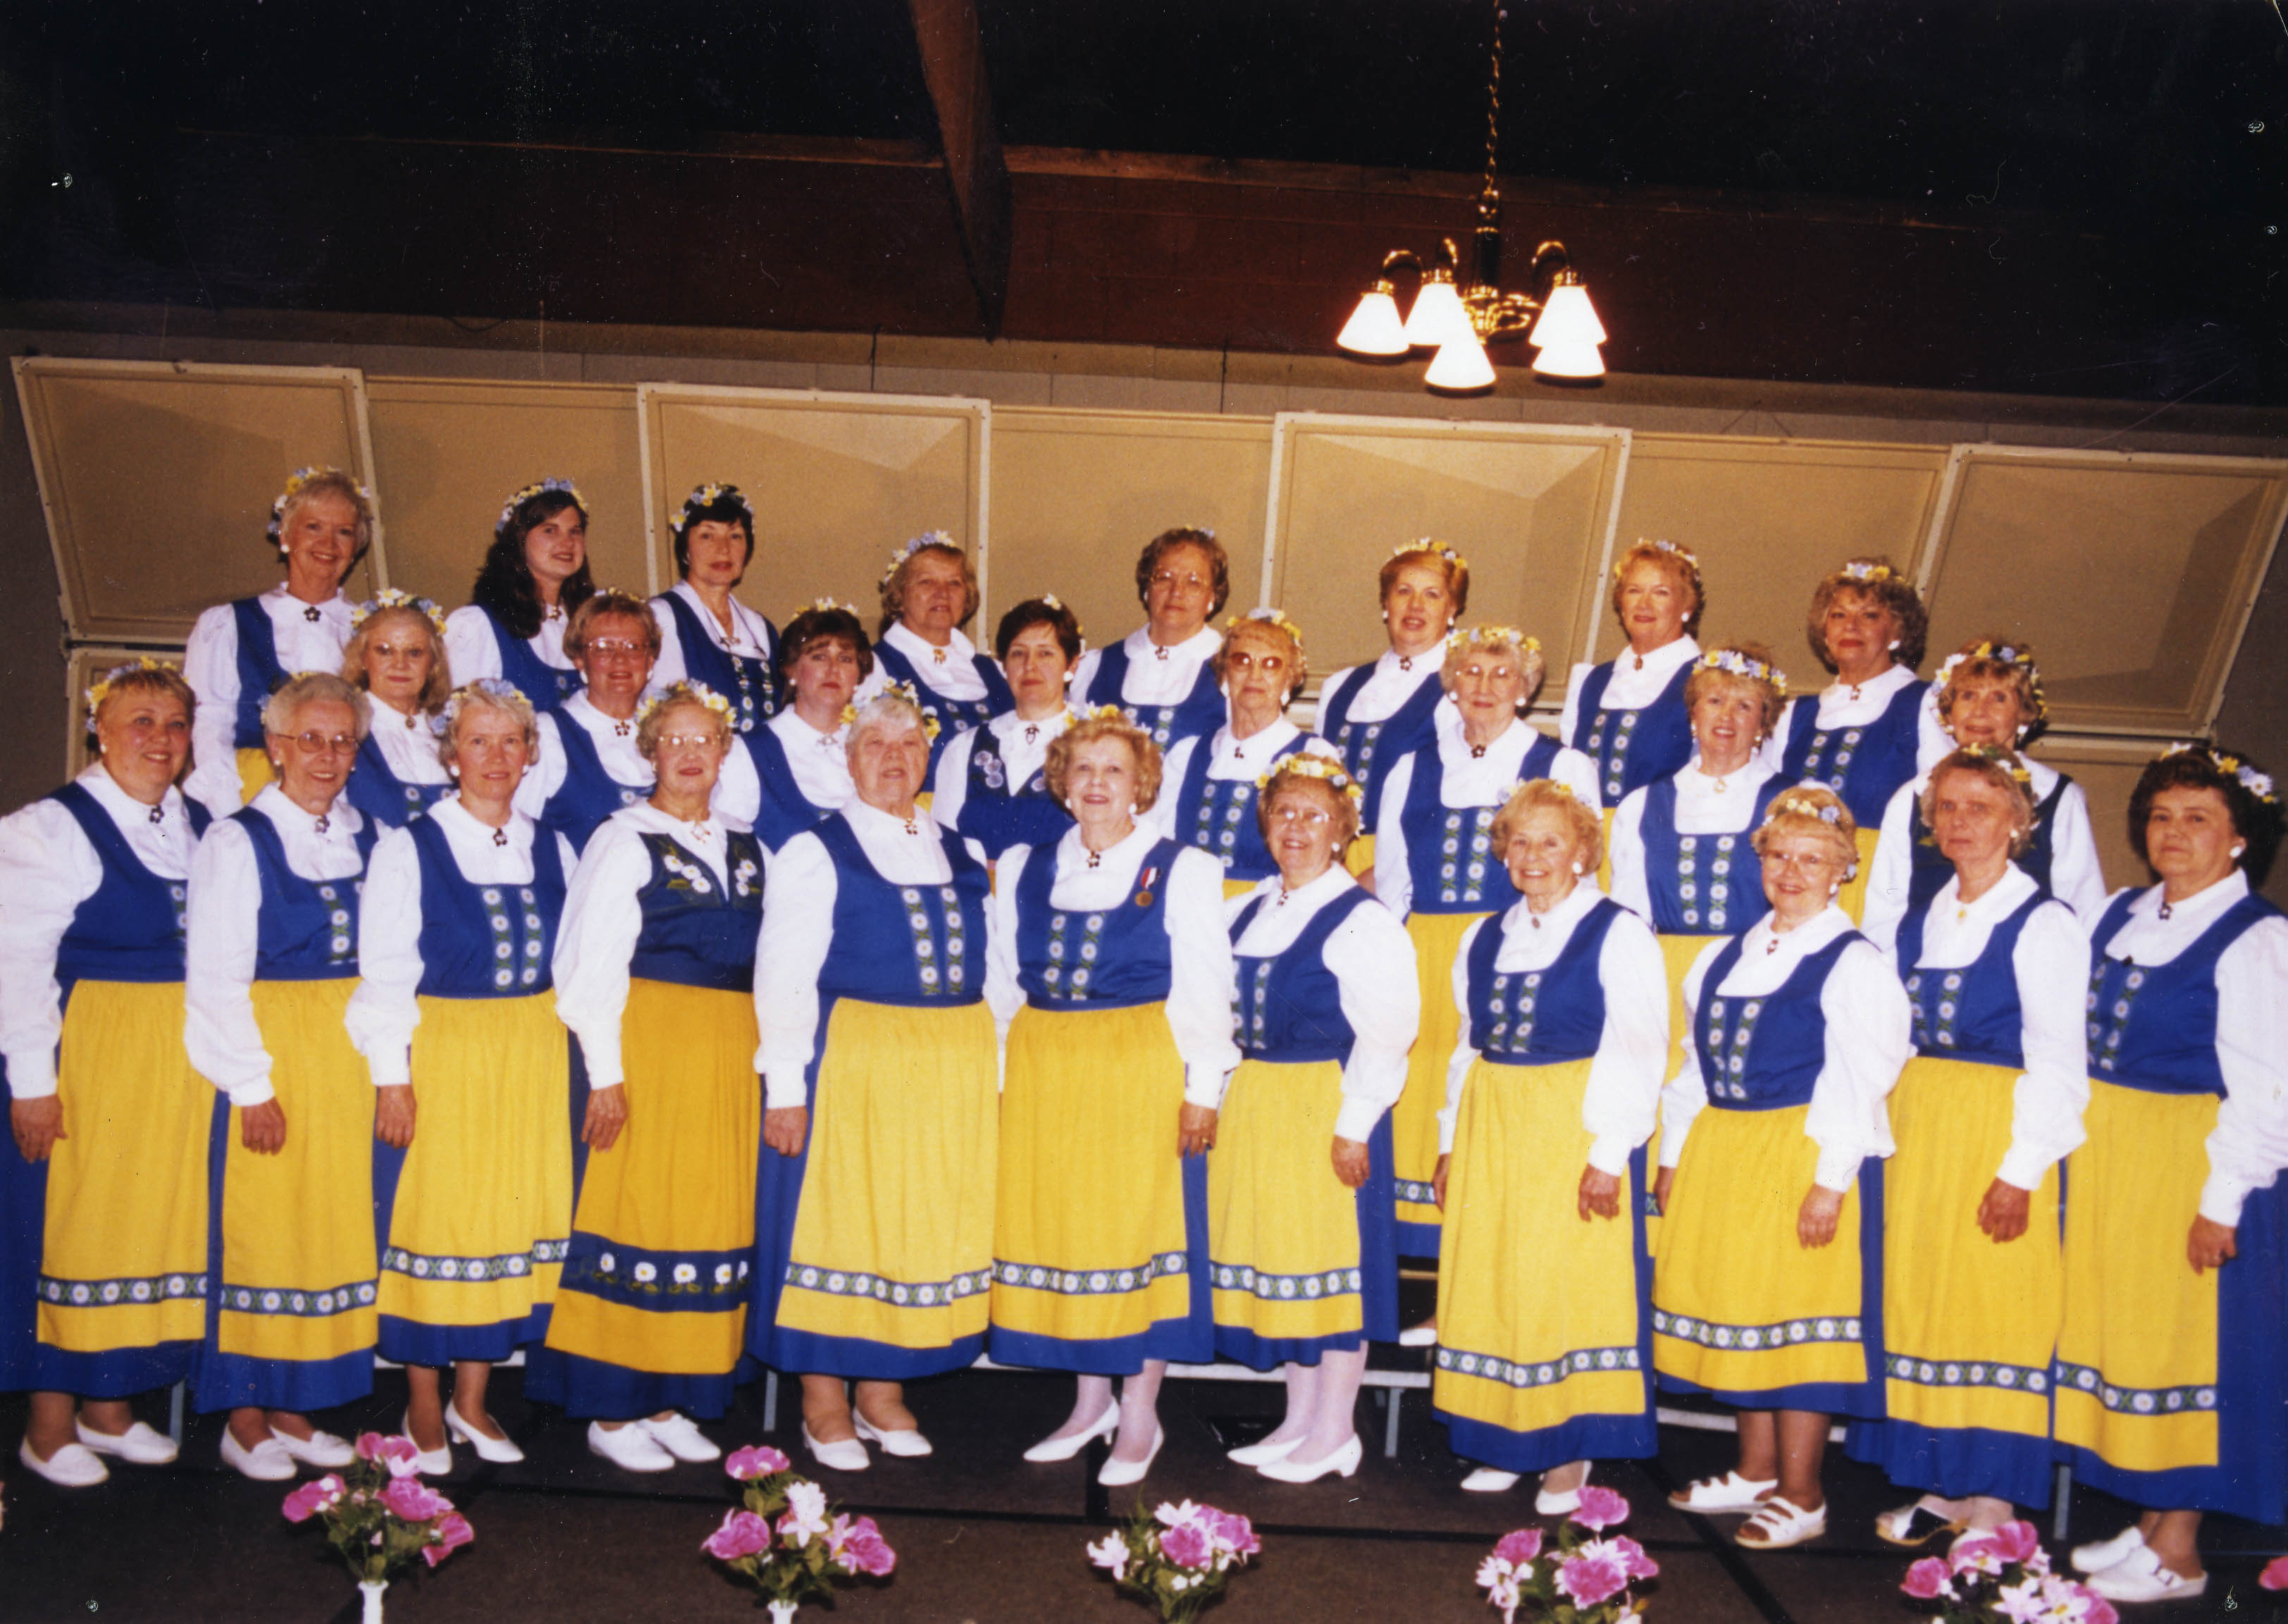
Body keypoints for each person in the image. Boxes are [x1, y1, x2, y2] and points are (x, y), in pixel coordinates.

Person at [2055, 743, 2288, 1606]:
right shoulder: (2123, 912)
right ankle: (2155, 1517)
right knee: (2130, 1335)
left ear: (2238, 840)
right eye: (2161, 815)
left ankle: (2182, 1547)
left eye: (2198, 820)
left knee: (2184, 1338)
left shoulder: (2257, 937)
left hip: (2187, 1156)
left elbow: (2268, 1082)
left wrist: (2221, 1199)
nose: (2173, 834)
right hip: (2113, 1150)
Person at [1652, 786, 1911, 1550]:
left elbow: (1862, 1078)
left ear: (1842, 871)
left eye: (1812, 859)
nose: (1792, 871)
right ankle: (1756, 1468)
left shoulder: (1853, 962)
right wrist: (1673, 1155)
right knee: (1745, 1315)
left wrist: (1830, 1180)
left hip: (1799, 1148)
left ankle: (1802, 1492)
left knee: (1795, 1325)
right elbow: (1694, 1065)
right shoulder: (1723, 953)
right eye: (1779, 855)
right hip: (1726, 1148)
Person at [1843, 747, 2089, 1544]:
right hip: (1920, 1121)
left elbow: (2059, 1060)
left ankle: (1994, 1502)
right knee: (1925, 1300)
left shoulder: (2043, 921)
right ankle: (1945, 1485)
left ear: (2018, 821)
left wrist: (2019, 1170)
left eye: (1980, 807)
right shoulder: (1924, 914)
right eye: (1945, 807)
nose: (1959, 822)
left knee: (1991, 1303)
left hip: (1996, 1121)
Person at [986, 712, 1238, 1487]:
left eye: (1115, 771)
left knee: (1136, 1228)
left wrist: (1203, 1087)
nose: (1097, 784)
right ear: (1062, 780)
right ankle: (1087, 1400)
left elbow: (1206, 983)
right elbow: (1000, 983)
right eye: (1084, 769)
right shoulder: (1025, 863)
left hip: (1136, 1062)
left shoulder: (1183, 867)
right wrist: (1000, 1080)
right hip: (1044, 1064)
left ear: (1141, 785)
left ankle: (1140, 1412)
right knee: (1070, 1230)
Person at [753, 689, 998, 1470]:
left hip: (946, 1062)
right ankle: (823, 1400)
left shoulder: (958, 848)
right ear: (848, 758)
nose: (893, 761)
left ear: (926, 758)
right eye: (874, 747)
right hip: (857, 1057)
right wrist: (786, 1086)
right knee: (843, 1220)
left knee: (912, 1219)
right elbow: (782, 975)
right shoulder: (815, 849)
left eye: (907, 748)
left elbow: (992, 970)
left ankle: (882, 1389)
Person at [346, 681, 574, 1475]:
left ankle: (471, 1399)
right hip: (446, 1048)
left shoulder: (555, 844)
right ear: (451, 755)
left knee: (503, 1221)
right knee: (440, 1221)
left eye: (511, 742)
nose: (496, 758)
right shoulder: (410, 845)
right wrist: (392, 1077)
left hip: (532, 1052)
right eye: (478, 742)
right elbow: (382, 972)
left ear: (529, 753)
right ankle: (420, 1402)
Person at [540, 683, 764, 1473]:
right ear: (651, 750)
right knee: (637, 1210)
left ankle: (672, 1397)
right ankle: (611, 1405)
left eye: (706, 739)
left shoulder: (747, 844)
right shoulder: (624, 838)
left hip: (729, 1054)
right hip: (651, 1046)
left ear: (725, 750)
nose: (691, 753)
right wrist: (606, 1073)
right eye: (674, 740)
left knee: (704, 1216)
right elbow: (584, 963)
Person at [1, 662, 207, 1487]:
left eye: (175, 725)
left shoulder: (192, 820)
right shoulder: (46, 828)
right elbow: (16, 964)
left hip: (165, 1061)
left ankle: (110, 1408)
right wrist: (32, 1082)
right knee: (67, 1230)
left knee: (139, 1226)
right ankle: (48, 1427)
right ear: (100, 728)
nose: (159, 739)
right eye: (140, 721)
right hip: (85, 1050)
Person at [1432, 781, 1667, 1505]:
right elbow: (1467, 1047)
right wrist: (1448, 1139)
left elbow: (1638, 1050)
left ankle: (1567, 1453)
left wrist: (1607, 1153)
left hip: (1571, 1119)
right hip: (1492, 1120)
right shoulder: (1483, 935)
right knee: (1496, 1275)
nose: (1533, 856)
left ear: (1583, 852)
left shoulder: (1616, 931)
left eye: (1552, 842)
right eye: (1521, 841)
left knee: (1560, 1281)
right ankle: (1507, 1434)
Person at [185, 672, 381, 1481]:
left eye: (343, 740)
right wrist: (251, 1083)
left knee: (327, 1224)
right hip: (276, 1045)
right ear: (275, 746)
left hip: (348, 1051)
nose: (327, 755)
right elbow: (215, 977)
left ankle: (296, 1404)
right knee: (264, 1223)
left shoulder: (364, 830)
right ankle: (244, 1414)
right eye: (311, 739)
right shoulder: (238, 840)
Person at [1212, 757, 1416, 1483]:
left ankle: (1336, 1429)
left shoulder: (1362, 919)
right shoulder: (1246, 907)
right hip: (1257, 1101)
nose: (1295, 827)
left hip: (1324, 1101)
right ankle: (1298, 1419)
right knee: (1287, 1263)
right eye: (1283, 813)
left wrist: (1355, 1122)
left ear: (1343, 830)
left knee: (1334, 1268)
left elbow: (1389, 1030)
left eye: (1313, 815)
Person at [1371, 627, 1598, 1267]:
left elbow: (1584, 874)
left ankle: (1481, 1264)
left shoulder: (1562, 765)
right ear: (1450, 684)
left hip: (1516, 951)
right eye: (1469, 673)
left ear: (1526, 689)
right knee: (1421, 1097)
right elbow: (1392, 882)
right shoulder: (1412, 767)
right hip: (1425, 952)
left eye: (1502, 675)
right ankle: (1412, 1267)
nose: (1484, 688)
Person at [1861, 637, 2106, 956]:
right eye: (1968, 696)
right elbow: (1887, 901)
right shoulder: (1911, 797)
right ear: (1949, 712)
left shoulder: (2058, 797)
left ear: (2023, 714)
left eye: (1999, 698)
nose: (1980, 711)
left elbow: (2083, 905)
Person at [1609, 645, 1791, 1065]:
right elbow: (1629, 918)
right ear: (1694, 714)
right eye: (1714, 701)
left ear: (1763, 722)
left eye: (1744, 706)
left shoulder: (1792, 802)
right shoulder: (1643, 804)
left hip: (1757, 978)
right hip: (1665, 985)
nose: (1726, 717)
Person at [184, 468, 373, 818]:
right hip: (247, 799)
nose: (328, 544)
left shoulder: (371, 632)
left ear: (356, 548)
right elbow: (210, 724)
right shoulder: (228, 624)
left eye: (343, 532)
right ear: (285, 536)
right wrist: (234, 817)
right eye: (313, 527)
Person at [519, 591, 761, 855]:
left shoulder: (679, 728)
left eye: (634, 646)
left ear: (650, 660)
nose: (620, 659)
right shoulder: (548, 735)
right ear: (579, 659)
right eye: (602, 648)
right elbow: (519, 835)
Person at [1774, 559, 1947, 914]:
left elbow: (1943, 811)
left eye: (1869, 615)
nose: (1851, 626)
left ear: (1897, 631)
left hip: (1883, 889)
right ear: (1824, 631)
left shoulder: (1924, 704)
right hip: (1800, 887)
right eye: (1838, 615)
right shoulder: (1794, 715)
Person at [1313, 541, 1466, 873]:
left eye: (1432, 595)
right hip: (1326, 858)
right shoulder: (1338, 686)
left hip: (1405, 861)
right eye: (1404, 591)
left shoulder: (1460, 689)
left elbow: (1450, 803)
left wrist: (1381, 874)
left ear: (1452, 609)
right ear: (1386, 602)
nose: (1416, 606)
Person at [1161, 610, 1337, 897]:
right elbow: (1163, 850)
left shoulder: (1313, 756)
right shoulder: (1187, 754)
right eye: (1242, 661)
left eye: (1271, 664)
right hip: (1190, 908)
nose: (1255, 675)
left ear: (1289, 679)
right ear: (1224, 674)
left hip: (1271, 912)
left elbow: (1319, 862)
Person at [930, 597, 1084, 864]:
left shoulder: (1094, 744)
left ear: (1071, 665)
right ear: (1003, 665)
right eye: (1018, 653)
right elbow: (944, 846)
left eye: (1045, 653)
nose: (1030, 665)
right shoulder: (965, 748)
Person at [1562, 538, 1704, 810]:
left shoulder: (1705, 682)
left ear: (1687, 606)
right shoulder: (1592, 681)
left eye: (1661, 592)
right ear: (1621, 603)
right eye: (1634, 591)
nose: (1644, 604)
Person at [1070, 528, 1228, 755]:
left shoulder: (1232, 669)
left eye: (1193, 582)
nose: (1177, 592)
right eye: (1164, 578)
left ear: (1213, 597)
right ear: (1147, 588)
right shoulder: (1096, 667)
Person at [444, 478, 595, 714]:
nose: (567, 542)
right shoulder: (480, 626)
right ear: (519, 539)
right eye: (550, 530)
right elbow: (457, 722)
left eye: (575, 531)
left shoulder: (590, 620)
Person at [863, 533, 1010, 770]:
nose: (943, 593)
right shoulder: (874, 667)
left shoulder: (992, 670)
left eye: (954, 583)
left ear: (967, 596)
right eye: (926, 582)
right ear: (899, 595)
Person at [649, 482, 781, 736]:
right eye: (707, 535)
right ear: (686, 550)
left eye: (735, 536)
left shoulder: (761, 628)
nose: (723, 548)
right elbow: (665, 718)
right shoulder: (663, 616)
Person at [742, 602, 870, 851]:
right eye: (819, 657)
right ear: (792, 670)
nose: (834, 670)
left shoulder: (873, 746)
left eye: (845, 659)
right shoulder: (750, 752)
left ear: (858, 676)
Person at [340, 590, 454, 829]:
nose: (400, 665)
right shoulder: (344, 727)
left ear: (432, 663)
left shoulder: (453, 729)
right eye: (384, 651)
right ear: (362, 658)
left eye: (414, 652)